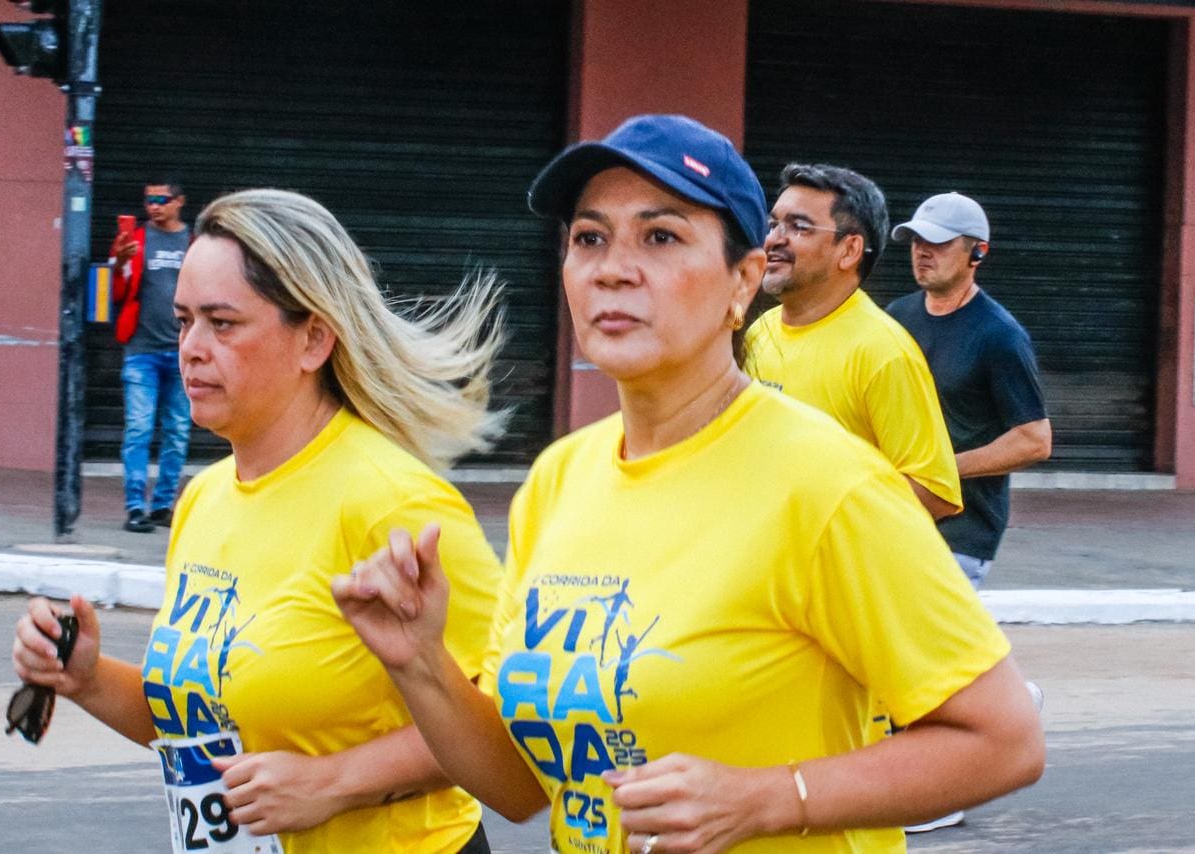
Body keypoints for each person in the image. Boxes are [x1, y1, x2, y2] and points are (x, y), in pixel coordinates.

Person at [332, 115, 1045, 854]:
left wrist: (766, 799)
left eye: (661, 237)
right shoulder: (557, 479)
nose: (612, 269)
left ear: (743, 281)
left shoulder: (829, 486)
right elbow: (521, 789)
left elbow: (1003, 741)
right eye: (590, 238)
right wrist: (419, 661)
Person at [14, 189, 506, 853]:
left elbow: (504, 736)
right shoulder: (204, 498)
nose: (190, 348)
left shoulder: (395, 502)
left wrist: (334, 782)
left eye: (223, 324)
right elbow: (208, 729)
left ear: (313, 339)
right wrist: (88, 678)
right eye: (184, 320)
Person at [741, 164, 962, 521]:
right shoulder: (759, 332)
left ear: (849, 250)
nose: (773, 240)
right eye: (773, 225)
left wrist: (818, 518)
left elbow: (934, 492)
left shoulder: (883, 351)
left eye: (799, 227)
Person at [887, 192, 1052, 588]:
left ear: (977, 252)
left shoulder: (1000, 335)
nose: (922, 252)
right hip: (895, 519)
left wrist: (940, 469)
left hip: (960, 535)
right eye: (916, 241)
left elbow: (1034, 440)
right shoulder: (896, 317)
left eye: (938, 243)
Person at [110, 178, 193, 533]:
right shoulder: (136, 240)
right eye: (149, 200)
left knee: (177, 431)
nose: (153, 206)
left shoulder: (194, 242)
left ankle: (161, 506)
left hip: (182, 353)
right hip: (141, 352)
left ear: (179, 202)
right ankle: (135, 507)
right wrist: (119, 263)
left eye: (161, 199)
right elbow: (116, 292)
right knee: (139, 429)